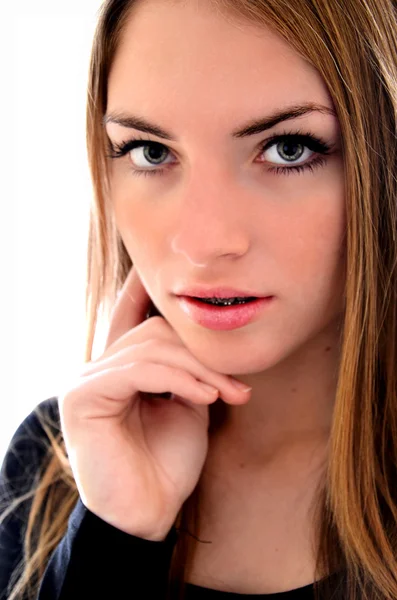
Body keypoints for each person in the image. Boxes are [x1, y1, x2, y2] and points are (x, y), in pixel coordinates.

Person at [1, 0, 396, 598]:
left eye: (289, 149)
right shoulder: (57, 459)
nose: (203, 243)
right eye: (150, 152)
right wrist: (112, 535)